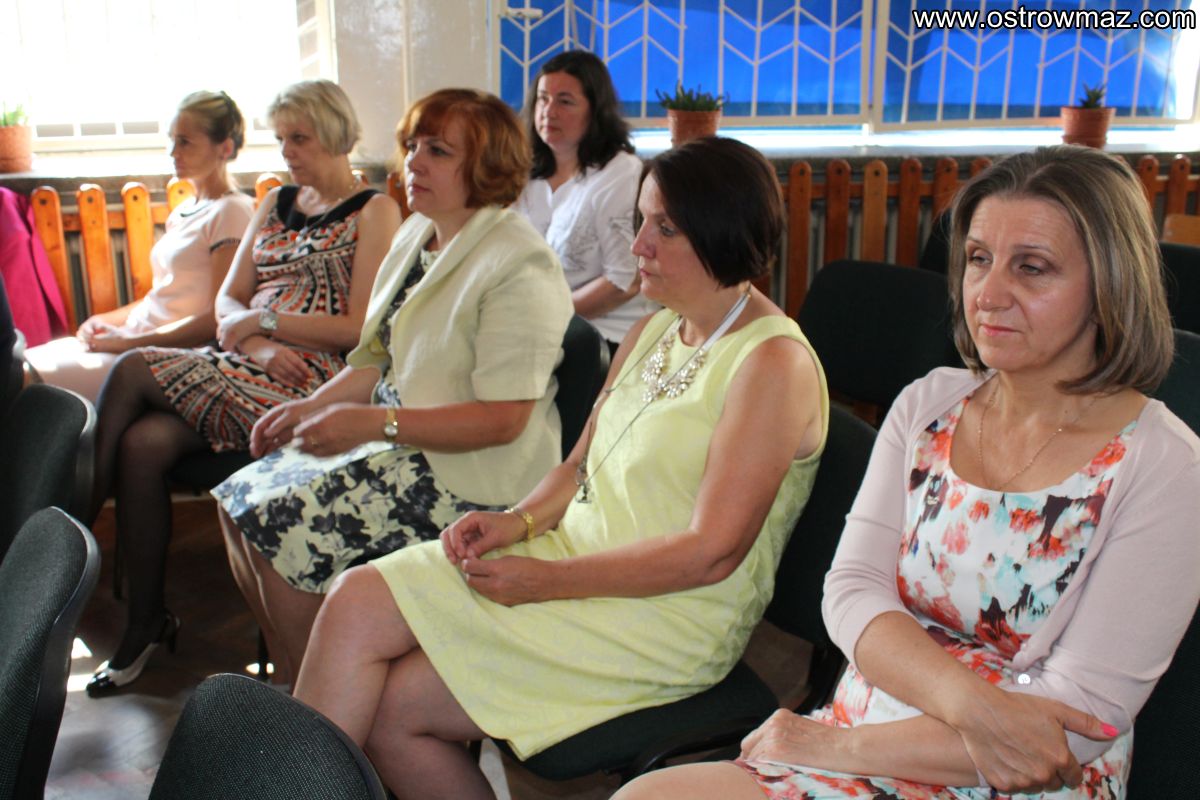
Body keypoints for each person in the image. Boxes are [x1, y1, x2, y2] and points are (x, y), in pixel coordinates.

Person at [615, 145, 1200, 800]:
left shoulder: (1165, 465)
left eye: (1032, 267)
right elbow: (851, 590)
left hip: (1012, 776)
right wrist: (971, 704)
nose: (988, 293)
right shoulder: (931, 403)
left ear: (1110, 284)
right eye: (978, 258)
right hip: (880, 723)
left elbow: (1075, 723)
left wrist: (831, 746)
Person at [292, 137, 828, 798]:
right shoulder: (656, 328)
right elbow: (578, 469)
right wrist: (516, 522)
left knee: (394, 711)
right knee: (355, 598)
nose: (639, 246)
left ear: (725, 235)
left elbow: (710, 553)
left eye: (665, 229)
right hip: (575, 558)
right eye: (641, 221)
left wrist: (545, 582)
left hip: (665, 615)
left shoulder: (771, 364)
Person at [213, 88, 574, 688]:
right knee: (235, 503)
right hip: (399, 442)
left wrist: (371, 424)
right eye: (412, 146)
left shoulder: (519, 262)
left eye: (438, 151)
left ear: (486, 166)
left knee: (276, 525)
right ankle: (299, 688)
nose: (414, 163)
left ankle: (315, 712)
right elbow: (377, 361)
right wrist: (309, 407)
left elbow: (504, 419)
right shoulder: (418, 235)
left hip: (473, 477)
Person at [85, 79, 400, 696]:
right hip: (248, 363)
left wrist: (265, 323)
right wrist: (258, 342)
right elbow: (228, 303)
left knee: (133, 368)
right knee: (143, 444)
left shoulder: (375, 209)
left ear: (335, 134)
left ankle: (61, 551)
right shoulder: (276, 201)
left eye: (299, 138)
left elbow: (358, 328)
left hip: (312, 383)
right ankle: (145, 623)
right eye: (281, 139)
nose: (287, 152)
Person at [26, 91, 255, 402]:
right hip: (135, 337)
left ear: (224, 148)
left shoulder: (232, 211)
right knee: (18, 362)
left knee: (23, 379)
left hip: (162, 354)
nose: (173, 152)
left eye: (185, 142)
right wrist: (106, 321)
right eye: (171, 140)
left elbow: (215, 317)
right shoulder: (185, 210)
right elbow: (161, 296)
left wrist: (126, 344)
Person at [513, 50, 656, 352]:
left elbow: (623, 282)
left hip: (604, 338)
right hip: (538, 329)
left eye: (564, 101)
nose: (549, 111)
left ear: (596, 110)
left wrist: (541, 317)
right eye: (542, 99)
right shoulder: (525, 172)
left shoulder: (620, 172)